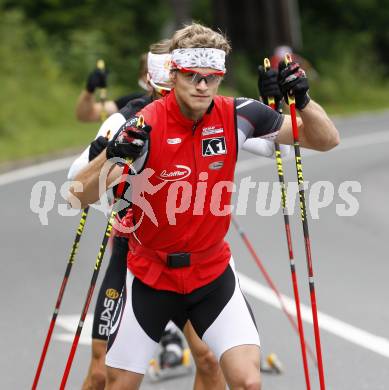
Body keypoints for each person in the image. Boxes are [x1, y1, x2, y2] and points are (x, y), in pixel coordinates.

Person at [69, 22, 339, 390]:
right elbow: (77, 194)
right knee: (114, 382)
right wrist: (111, 157)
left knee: (246, 381)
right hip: (152, 277)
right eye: (193, 76)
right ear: (175, 73)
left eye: (211, 78)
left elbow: (326, 140)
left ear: (221, 77)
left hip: (210, 275)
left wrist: (304, 103)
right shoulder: (144, 123)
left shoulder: (238, 114)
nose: (201, 86)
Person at [76, 53, 150, 122]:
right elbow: (86, 115)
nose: (152, 76)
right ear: (141, 76)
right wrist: (89, 90)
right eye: (147, 71)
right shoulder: (135, 102)